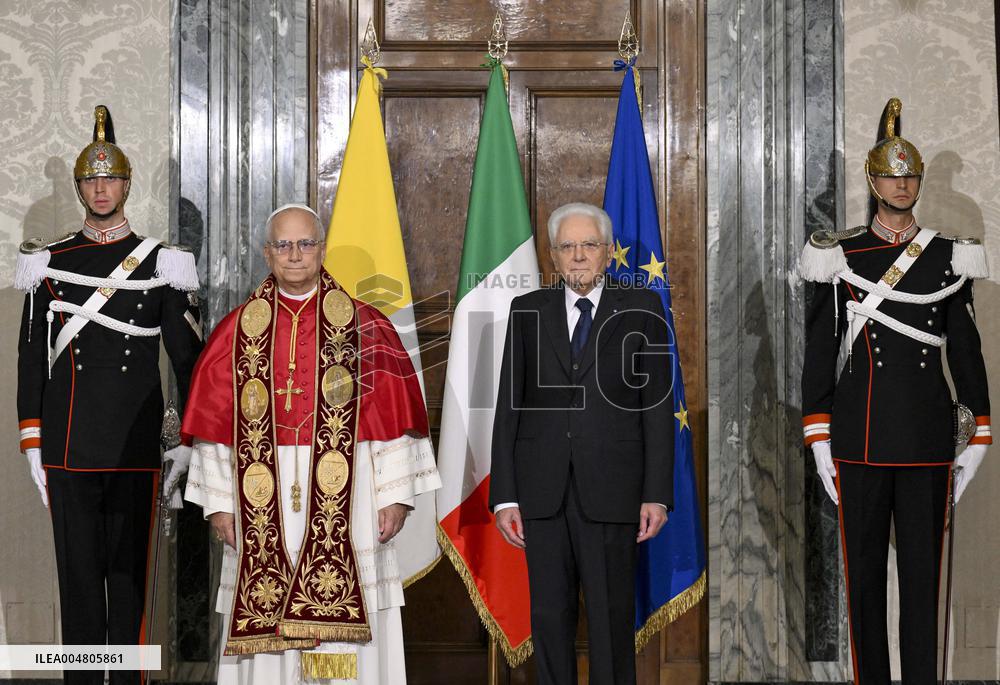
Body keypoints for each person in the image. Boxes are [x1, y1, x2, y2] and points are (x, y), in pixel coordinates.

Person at [181, 204, 440, 684]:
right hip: (258, 495)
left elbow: (394, 420)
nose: (294, 255)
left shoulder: (368, 326)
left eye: (305, 244)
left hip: (355, 494)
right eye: (283, 244)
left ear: (322, 249)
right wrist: (219, 505)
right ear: (266, 253)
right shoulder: (235, 332)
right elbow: (215, 429)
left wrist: (397, 497)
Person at [800, 97, 991, 684]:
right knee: (863, 589)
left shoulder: (947, 255)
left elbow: (965, 349)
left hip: (929, 439)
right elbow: (818, 353)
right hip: (858, 439)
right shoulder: (840, 254)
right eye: (891, 175)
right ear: (873, 179)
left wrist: (979, 430)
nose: (902, 185)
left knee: (922, 584)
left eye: (910, 176)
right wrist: (818, 436)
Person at [15, 105, 203, 684]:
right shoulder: (49, 264)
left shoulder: (161, 264)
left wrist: (189, 442)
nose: (102, 189)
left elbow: (188, 361)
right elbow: (29, 360)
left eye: (111, 179)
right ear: (80, 187)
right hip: (68, 448)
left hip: (135, 445)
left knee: (128, 584)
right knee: (78, 583)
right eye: (91, 180)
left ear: (127, 184)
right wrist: (31, 443)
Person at [489, 202, 674, 685]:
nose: (577, 256)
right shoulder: (527, 310)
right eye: (566, 247)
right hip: (542, 495)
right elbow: (510, 407)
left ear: (608, 253)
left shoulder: (642, 309)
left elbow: (657, 408)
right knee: (549, 620)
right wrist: (505, 495)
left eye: (588, 245)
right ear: (551, 256)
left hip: (614, 493)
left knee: (613, 623)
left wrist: (656, 492)